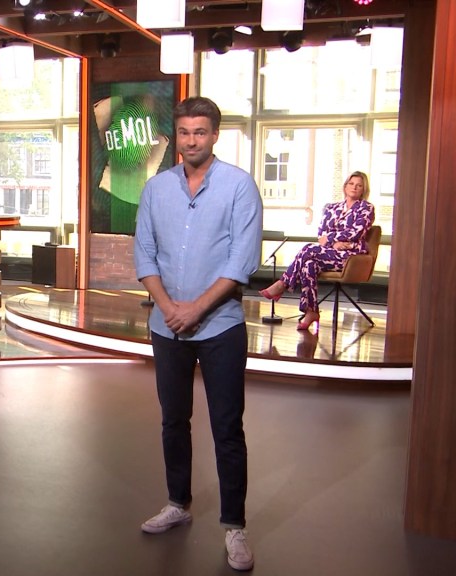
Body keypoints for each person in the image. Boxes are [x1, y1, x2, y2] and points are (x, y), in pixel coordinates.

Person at [134, 97, 263, 572]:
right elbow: (144, 253)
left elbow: (241, 260)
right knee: (173, 420)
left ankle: (235, 527)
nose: (192, 141)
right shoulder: (156, 188)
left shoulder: (239, 186)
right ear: (177, 136)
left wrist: (196, 309)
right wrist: (170, 308)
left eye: (200, 132)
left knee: (227, 427)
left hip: (220, 327)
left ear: (215, 135)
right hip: (166, 326)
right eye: (185, 132)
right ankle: (177, 503)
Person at [260, 172, 375, 331]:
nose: (354, 187)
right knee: (308, 264)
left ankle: (283, 283)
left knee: (309, 248)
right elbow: (321, 234)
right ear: (345, 186)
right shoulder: (332, 208)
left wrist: (331, 238)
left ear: (363, 189)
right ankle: (311, 311)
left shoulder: (366, 208)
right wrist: (334, 243)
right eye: (351, 183)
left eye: (359, 185)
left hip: (350, 257)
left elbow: (356, 232)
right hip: (330, 252)